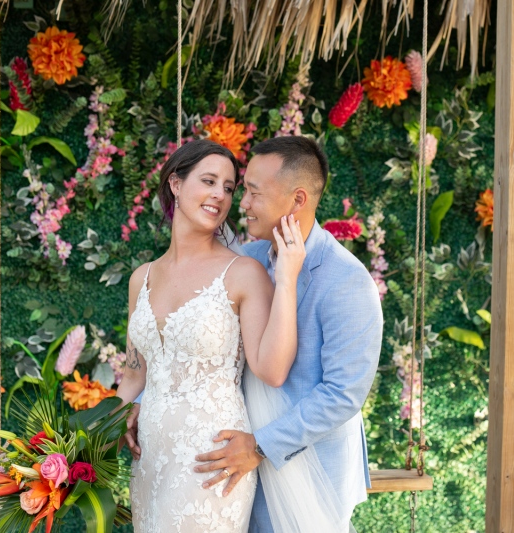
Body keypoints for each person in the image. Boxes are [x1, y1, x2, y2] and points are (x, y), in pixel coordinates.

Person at [125, 136, 384, 532]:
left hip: (301, 467)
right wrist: (144, 402)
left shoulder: (347, 282)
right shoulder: (249, 258)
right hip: (223, 456)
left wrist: (261, 445)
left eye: (249, 191)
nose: (239, 203)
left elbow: (343, 394)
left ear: (297, 200)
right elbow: (181, 350)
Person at [116, 139, 306, 532]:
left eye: (229, 187)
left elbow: (272, 370)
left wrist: (286, 278)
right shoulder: (142, 278)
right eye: (209, 181)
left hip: (211, 460)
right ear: (175, 184)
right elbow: (135, 375)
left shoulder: (243, 274)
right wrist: (104, 428)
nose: (220, 194)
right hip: (150, 460)